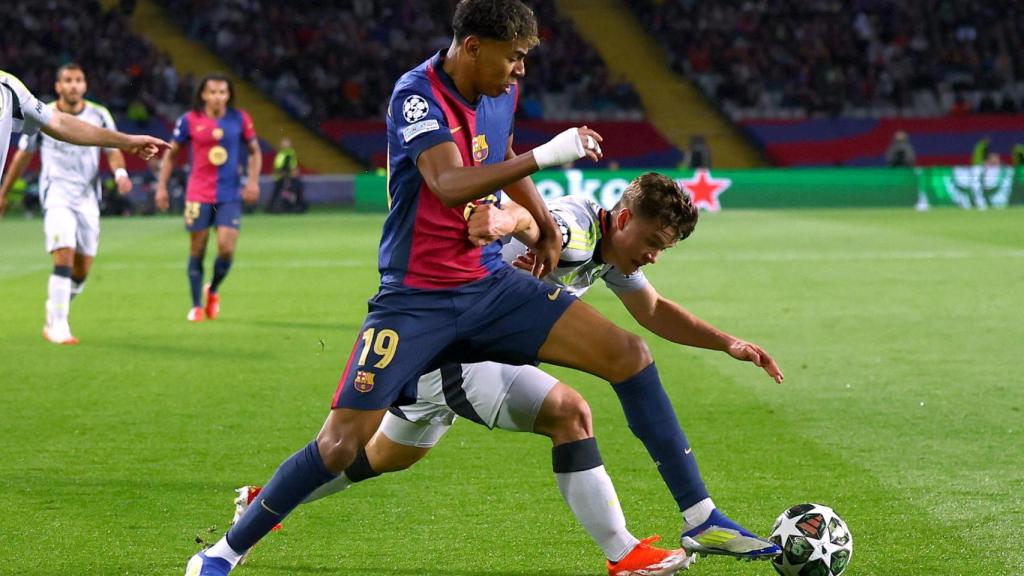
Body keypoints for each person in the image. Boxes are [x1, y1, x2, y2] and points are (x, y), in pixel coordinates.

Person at [186, 3, 779, 574]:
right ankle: (221, 555)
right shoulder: (416, 94)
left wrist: (541, 224)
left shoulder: (503, 95)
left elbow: (504, 157)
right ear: (472, 46)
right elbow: (446, 183)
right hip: (415, 297)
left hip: (488, 285)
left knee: (627, 356)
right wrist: (542, 172)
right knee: (343, 446)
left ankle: (698, 518)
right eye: (513, 56)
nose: (520, 69)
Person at [237, 173, 785, 574]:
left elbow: (655, 309)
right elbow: (525, 221)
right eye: (652, 244)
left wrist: (728, 343)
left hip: (452, 356)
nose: (652, 257)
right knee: (571, 411)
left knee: (384, 458)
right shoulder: (575, 230)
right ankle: (634, 549)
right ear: (622, 220)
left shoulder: (605, 249)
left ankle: (266, 499)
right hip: (451, 351)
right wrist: (508, 225)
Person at [0, 67, 166, 344]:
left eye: (78, 80)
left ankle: (57, 307)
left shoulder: (11, 88)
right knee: (64, 252)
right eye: (68, 80)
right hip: (56, 194)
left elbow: (64, 126)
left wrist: (126, 150)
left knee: (82, 269)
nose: (73, 86)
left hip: (88, 196)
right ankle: (59, 323)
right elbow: (23, 155)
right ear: (58, 86)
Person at [156, 73, 261, 322]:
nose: (217, 97)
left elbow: (255, 152)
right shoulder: (189, 120)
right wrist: (161, 186)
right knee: (198, 247)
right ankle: (195, 306)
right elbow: (171, 155)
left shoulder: (240, 119)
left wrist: (254, 181)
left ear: (228, 95)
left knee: (226, 248)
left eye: (222, 92)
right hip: (198, 195)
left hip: (229, 195)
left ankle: (212, 290)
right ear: (203, 95)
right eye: (212, 92)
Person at [266, 136, 306, 213]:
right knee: (280, 192)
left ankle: (275, 207)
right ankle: (276, 207)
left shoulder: (289, 153)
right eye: (284, 144)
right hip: (282, 177)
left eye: (287, 144)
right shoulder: (284, 154)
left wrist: (293, 171)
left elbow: (291, 165)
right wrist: (287, 173)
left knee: (280, 192)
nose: (285, 145)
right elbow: (279, 167)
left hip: (285, 176)